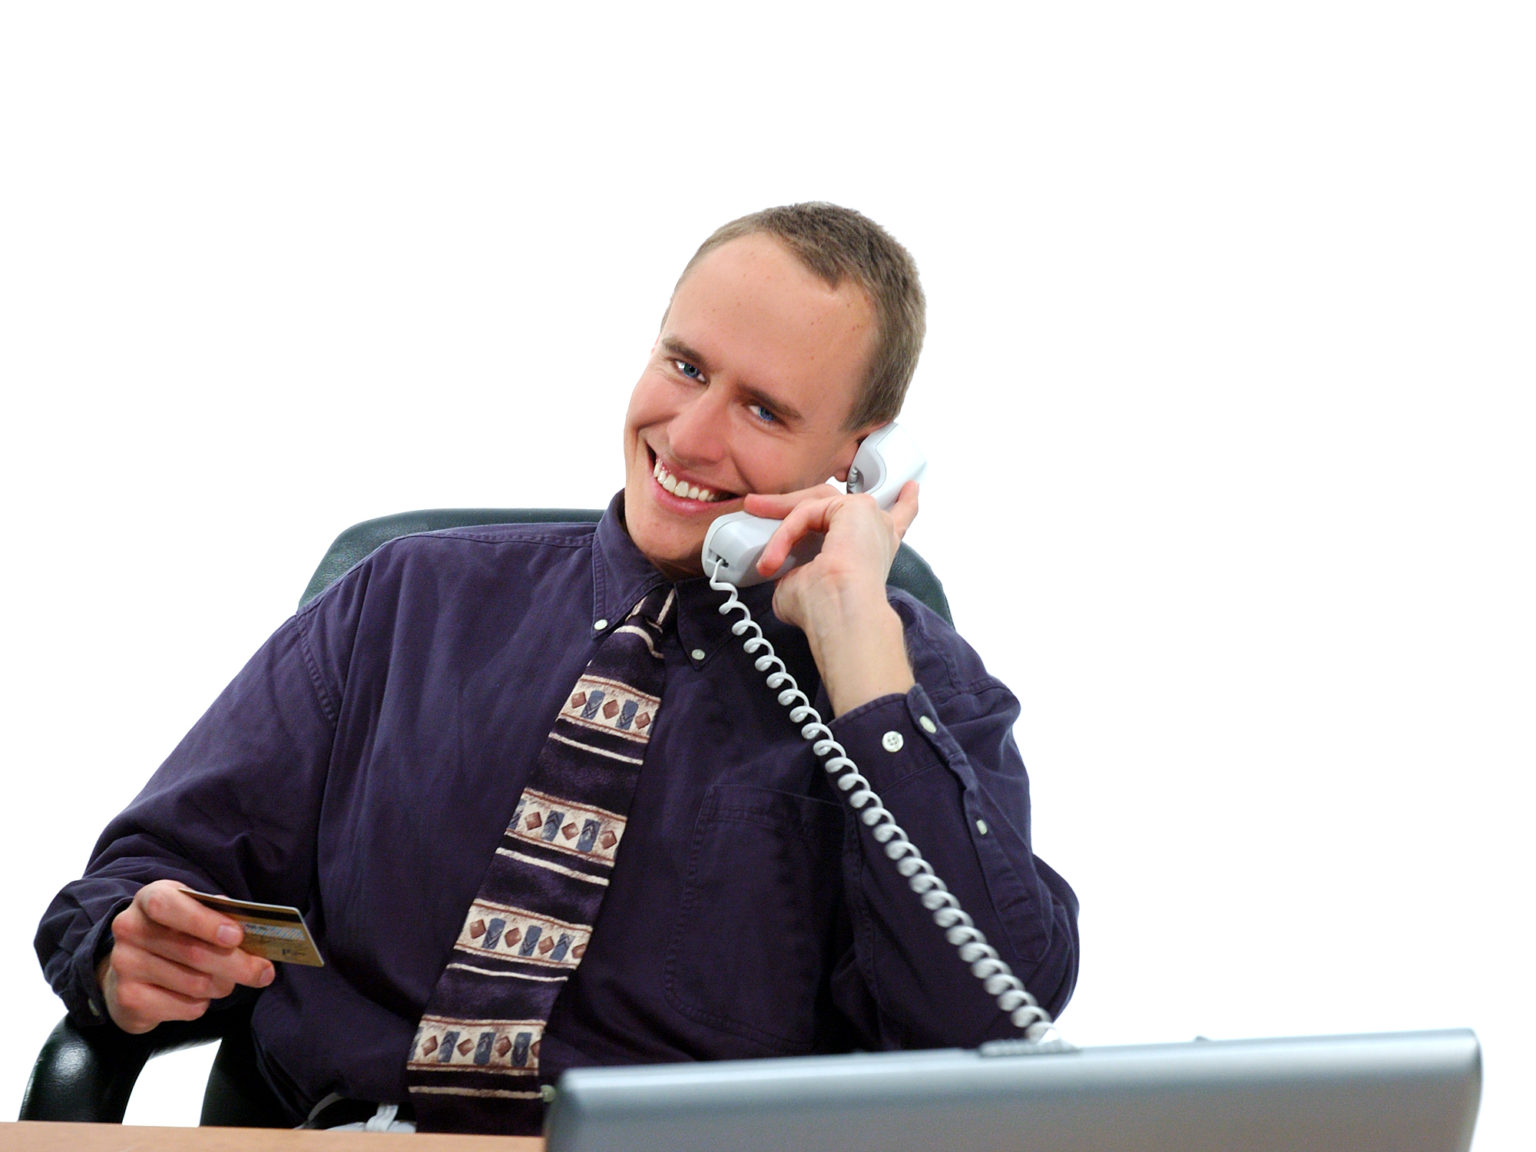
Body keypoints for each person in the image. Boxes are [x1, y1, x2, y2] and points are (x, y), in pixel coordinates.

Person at [37, 203, 1079, 1134]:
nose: (693, 435)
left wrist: (859, 648)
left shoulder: (912, 689)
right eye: (684, 367)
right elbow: (130, 885)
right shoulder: (407, 602)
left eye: (765, 411)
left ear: (861, 463)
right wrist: (131, 953)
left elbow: (985, 1025)